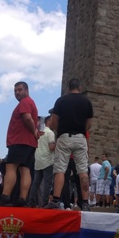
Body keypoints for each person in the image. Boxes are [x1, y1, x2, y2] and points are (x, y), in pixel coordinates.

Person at [46, 78, 93, 211]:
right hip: (80, 137)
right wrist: (82, 131)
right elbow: (89, 123)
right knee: (82, 170)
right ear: (79, 87)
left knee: (60, 169)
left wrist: (60, 131)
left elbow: (54, 121)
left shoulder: (61, 101)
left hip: (64, 136)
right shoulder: (86, 102)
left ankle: (56, 200)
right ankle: (85, 202)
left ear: (68, 88)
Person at [0, 81, 38, 207]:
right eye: (15, 91)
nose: (17, 92)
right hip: (29, 143)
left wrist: (33, 132)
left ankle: (5, 196)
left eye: (20, 90)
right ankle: (23, 199)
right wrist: (34, 133)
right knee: (25, 169)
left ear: (27, 90)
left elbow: (27, 118)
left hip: (19, 141)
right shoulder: (31, 102)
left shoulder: (25, 102)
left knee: (11, 167)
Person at [28, 115, 56, 207]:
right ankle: (45, 203)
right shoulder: (50, 133)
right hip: (48, 160)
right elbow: (51, 147)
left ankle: (31, 201)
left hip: (38, 160)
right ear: (48, 121)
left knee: (36, 183)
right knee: (48, 183)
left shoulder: (38, 133)